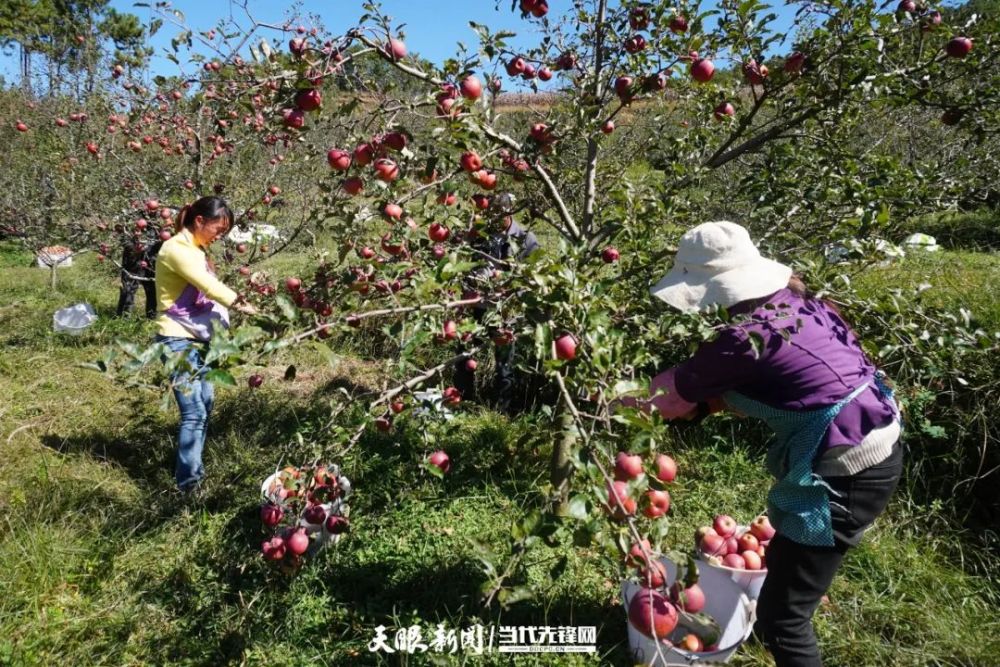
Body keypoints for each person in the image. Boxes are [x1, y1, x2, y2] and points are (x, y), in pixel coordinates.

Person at [632, 221, 903, 667]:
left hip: (849, 471)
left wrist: (605, 402)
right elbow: (787, 381)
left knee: (784, 617)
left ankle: (782, 638)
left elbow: (666, 398)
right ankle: (768, 635)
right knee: (785, 568)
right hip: (873, 445)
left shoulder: (741, 340)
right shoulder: (798, 302)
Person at [153, 196, 257, 493]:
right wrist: (243, 305)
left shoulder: (196, 249)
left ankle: (194, 469)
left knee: (206, 404)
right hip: (177, 340)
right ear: (199, 221)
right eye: (217, 229)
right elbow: (206, 285)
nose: (219, 235)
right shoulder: (175, 248)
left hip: (199, 339)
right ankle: (188, 486)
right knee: (194, 412)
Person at [453, 194, 539, 412]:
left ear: (509, 212)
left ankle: (500, 412)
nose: (492, 219)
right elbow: (463, 259)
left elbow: (532, 277)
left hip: (505, 310)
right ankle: (463, 404)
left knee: (504, 365)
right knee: (464, 358)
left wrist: (511, 285)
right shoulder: (480, 234)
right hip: (475, 306)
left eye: (497, 215)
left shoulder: (526, 239)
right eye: (489, 214)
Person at [116, 232, 162, 319]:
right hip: (134, 254)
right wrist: (133, 246)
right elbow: (124, 233)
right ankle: (123, 317)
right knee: (128, 288)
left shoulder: (157, 223)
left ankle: (151, 317)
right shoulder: (132, 222)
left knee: (151, 289)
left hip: (152, 254)